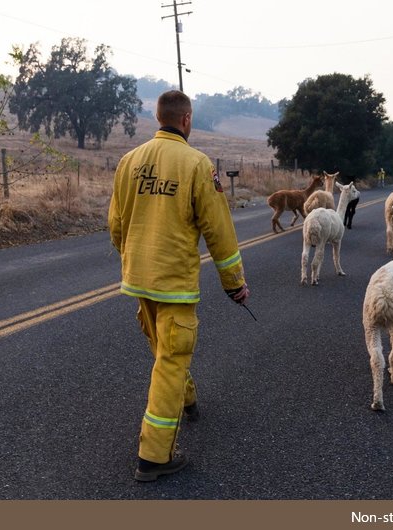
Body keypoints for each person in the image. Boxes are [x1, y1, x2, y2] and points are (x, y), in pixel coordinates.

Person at [108, 90, 249, 482]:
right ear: (185, 120)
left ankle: (186, 400)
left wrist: (132, 259)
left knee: (165, 348)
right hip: (174, 284)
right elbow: (218, 231)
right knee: (172, 358)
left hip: (138, 279)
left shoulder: (128, 162)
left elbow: (116, 225)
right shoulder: (197, 164)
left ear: (158, 118)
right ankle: (154, 456)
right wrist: (234, 284)